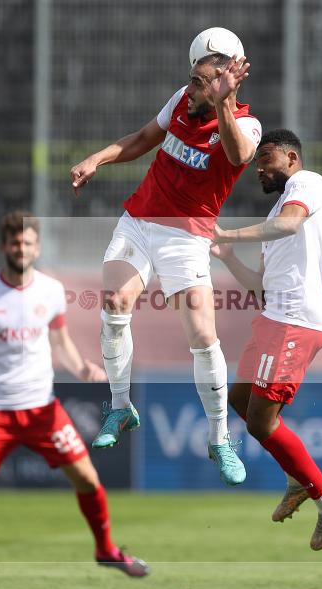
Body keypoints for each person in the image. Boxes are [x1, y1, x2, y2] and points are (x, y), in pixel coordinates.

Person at [69, 29, 261, 486]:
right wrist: (98, 158)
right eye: (193, 78)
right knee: (115, 304)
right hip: (139, 220)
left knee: (201, 333)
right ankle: (119, 407)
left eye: (203, 81)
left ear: (226, 84)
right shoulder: (180, 100)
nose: (192, 86)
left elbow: (236, 156)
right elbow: (142, 138)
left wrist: (222, 105)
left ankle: (219, 438)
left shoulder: (246, 125)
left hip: (187, 236)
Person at [0, 212, 149, 578]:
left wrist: (81, 369)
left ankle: (106, 550)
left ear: (37, 248)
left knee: (87, 479)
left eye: (28, 242)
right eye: (15, 242)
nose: (21, 248)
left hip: (41, 410)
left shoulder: (49, 290)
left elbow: (59, 340)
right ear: (4, 247)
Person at [211, 129, 322, 550]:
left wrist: (229, 234)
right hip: (273, 316)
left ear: (292, 157)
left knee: (261, 421)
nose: (258, 167)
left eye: (266, 157)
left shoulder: (306, 184)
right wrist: (228, 256)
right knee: (240, 401)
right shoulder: (277, 214)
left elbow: (289, 224)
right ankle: (297, 477)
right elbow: (260, 289)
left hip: (297, 321)